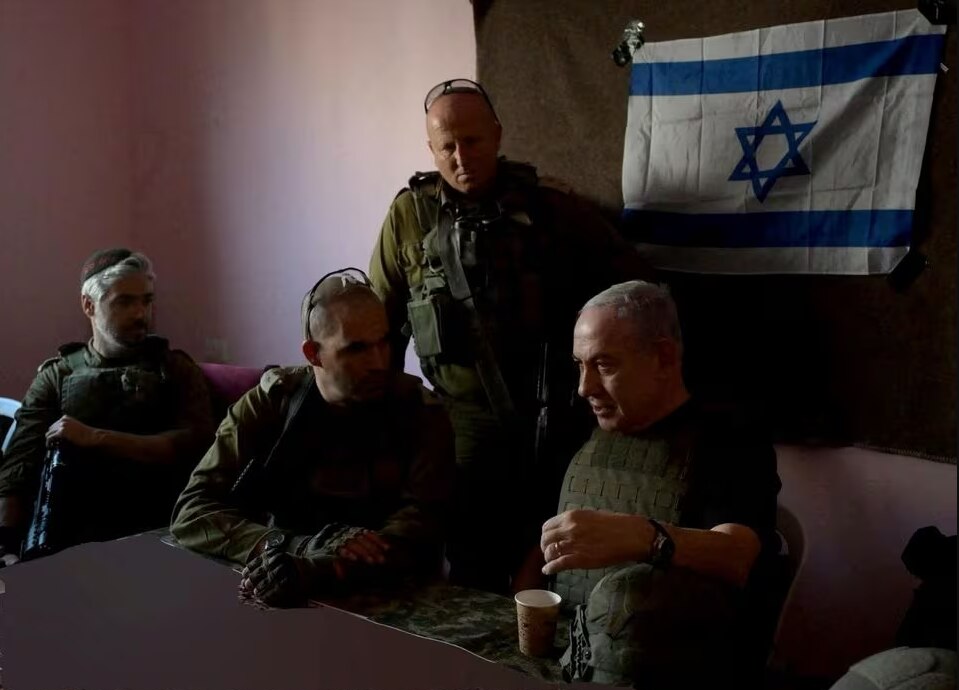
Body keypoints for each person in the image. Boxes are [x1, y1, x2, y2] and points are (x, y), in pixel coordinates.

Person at [369, 78, 655, 593]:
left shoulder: (552, 209)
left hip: (552, 414)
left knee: (552, 561)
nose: (461, 158)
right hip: (460, 422)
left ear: (497, 135)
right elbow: (381, 328)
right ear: (431, 149)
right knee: (471, 561)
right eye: (447, 146)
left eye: (473, 141)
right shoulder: (409, 217)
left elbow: (633, 295)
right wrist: (385, 427)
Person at [521, 281, 781, 690]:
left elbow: (738, 555)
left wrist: (645, 537)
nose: (585, 387)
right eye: (580, 365)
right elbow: (542, 543)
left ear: (663, 357)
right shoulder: (577, 433)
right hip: (562, 653)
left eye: (604, 365)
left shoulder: (729, 440)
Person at [170, 269, 455, 608]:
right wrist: (292, 547)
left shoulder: (419, 411)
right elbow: (190, 512)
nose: (379, 362)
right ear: (313, 353)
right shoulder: (272, 403)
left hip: (388, 590)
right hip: (282, 577)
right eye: (357, 349)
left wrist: (317, 567)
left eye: (384, 342)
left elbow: (419, 531)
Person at [0, 248, 214, 564]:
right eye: (124, 302)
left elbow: (195, 446)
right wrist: (5, 545)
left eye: (147, 300)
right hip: (72, 539)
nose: (141, 313)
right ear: (89, 305)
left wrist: (96, 437)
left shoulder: (176, 370)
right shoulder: (57, 376)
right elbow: (18, 467)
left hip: (158, 531)